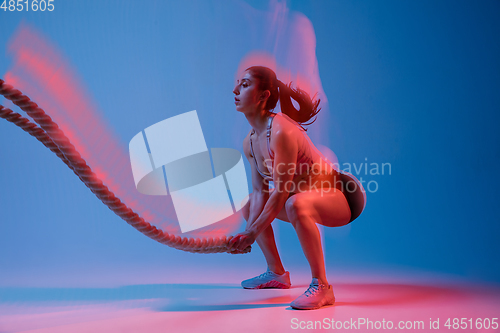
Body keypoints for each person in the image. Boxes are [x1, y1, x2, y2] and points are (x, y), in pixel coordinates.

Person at [228, 66, 353, 310]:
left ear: (263, 95)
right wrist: (247, 231)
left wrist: (251, 234)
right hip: (302, 197)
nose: (235, 90)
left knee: (295, 203)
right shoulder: (251, 142)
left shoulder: (281, 131)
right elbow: (260, 193)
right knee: (250, 205)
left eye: (244, 84)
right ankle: (276, 273)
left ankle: (323, 286)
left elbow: (281, 191)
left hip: (343, 197)